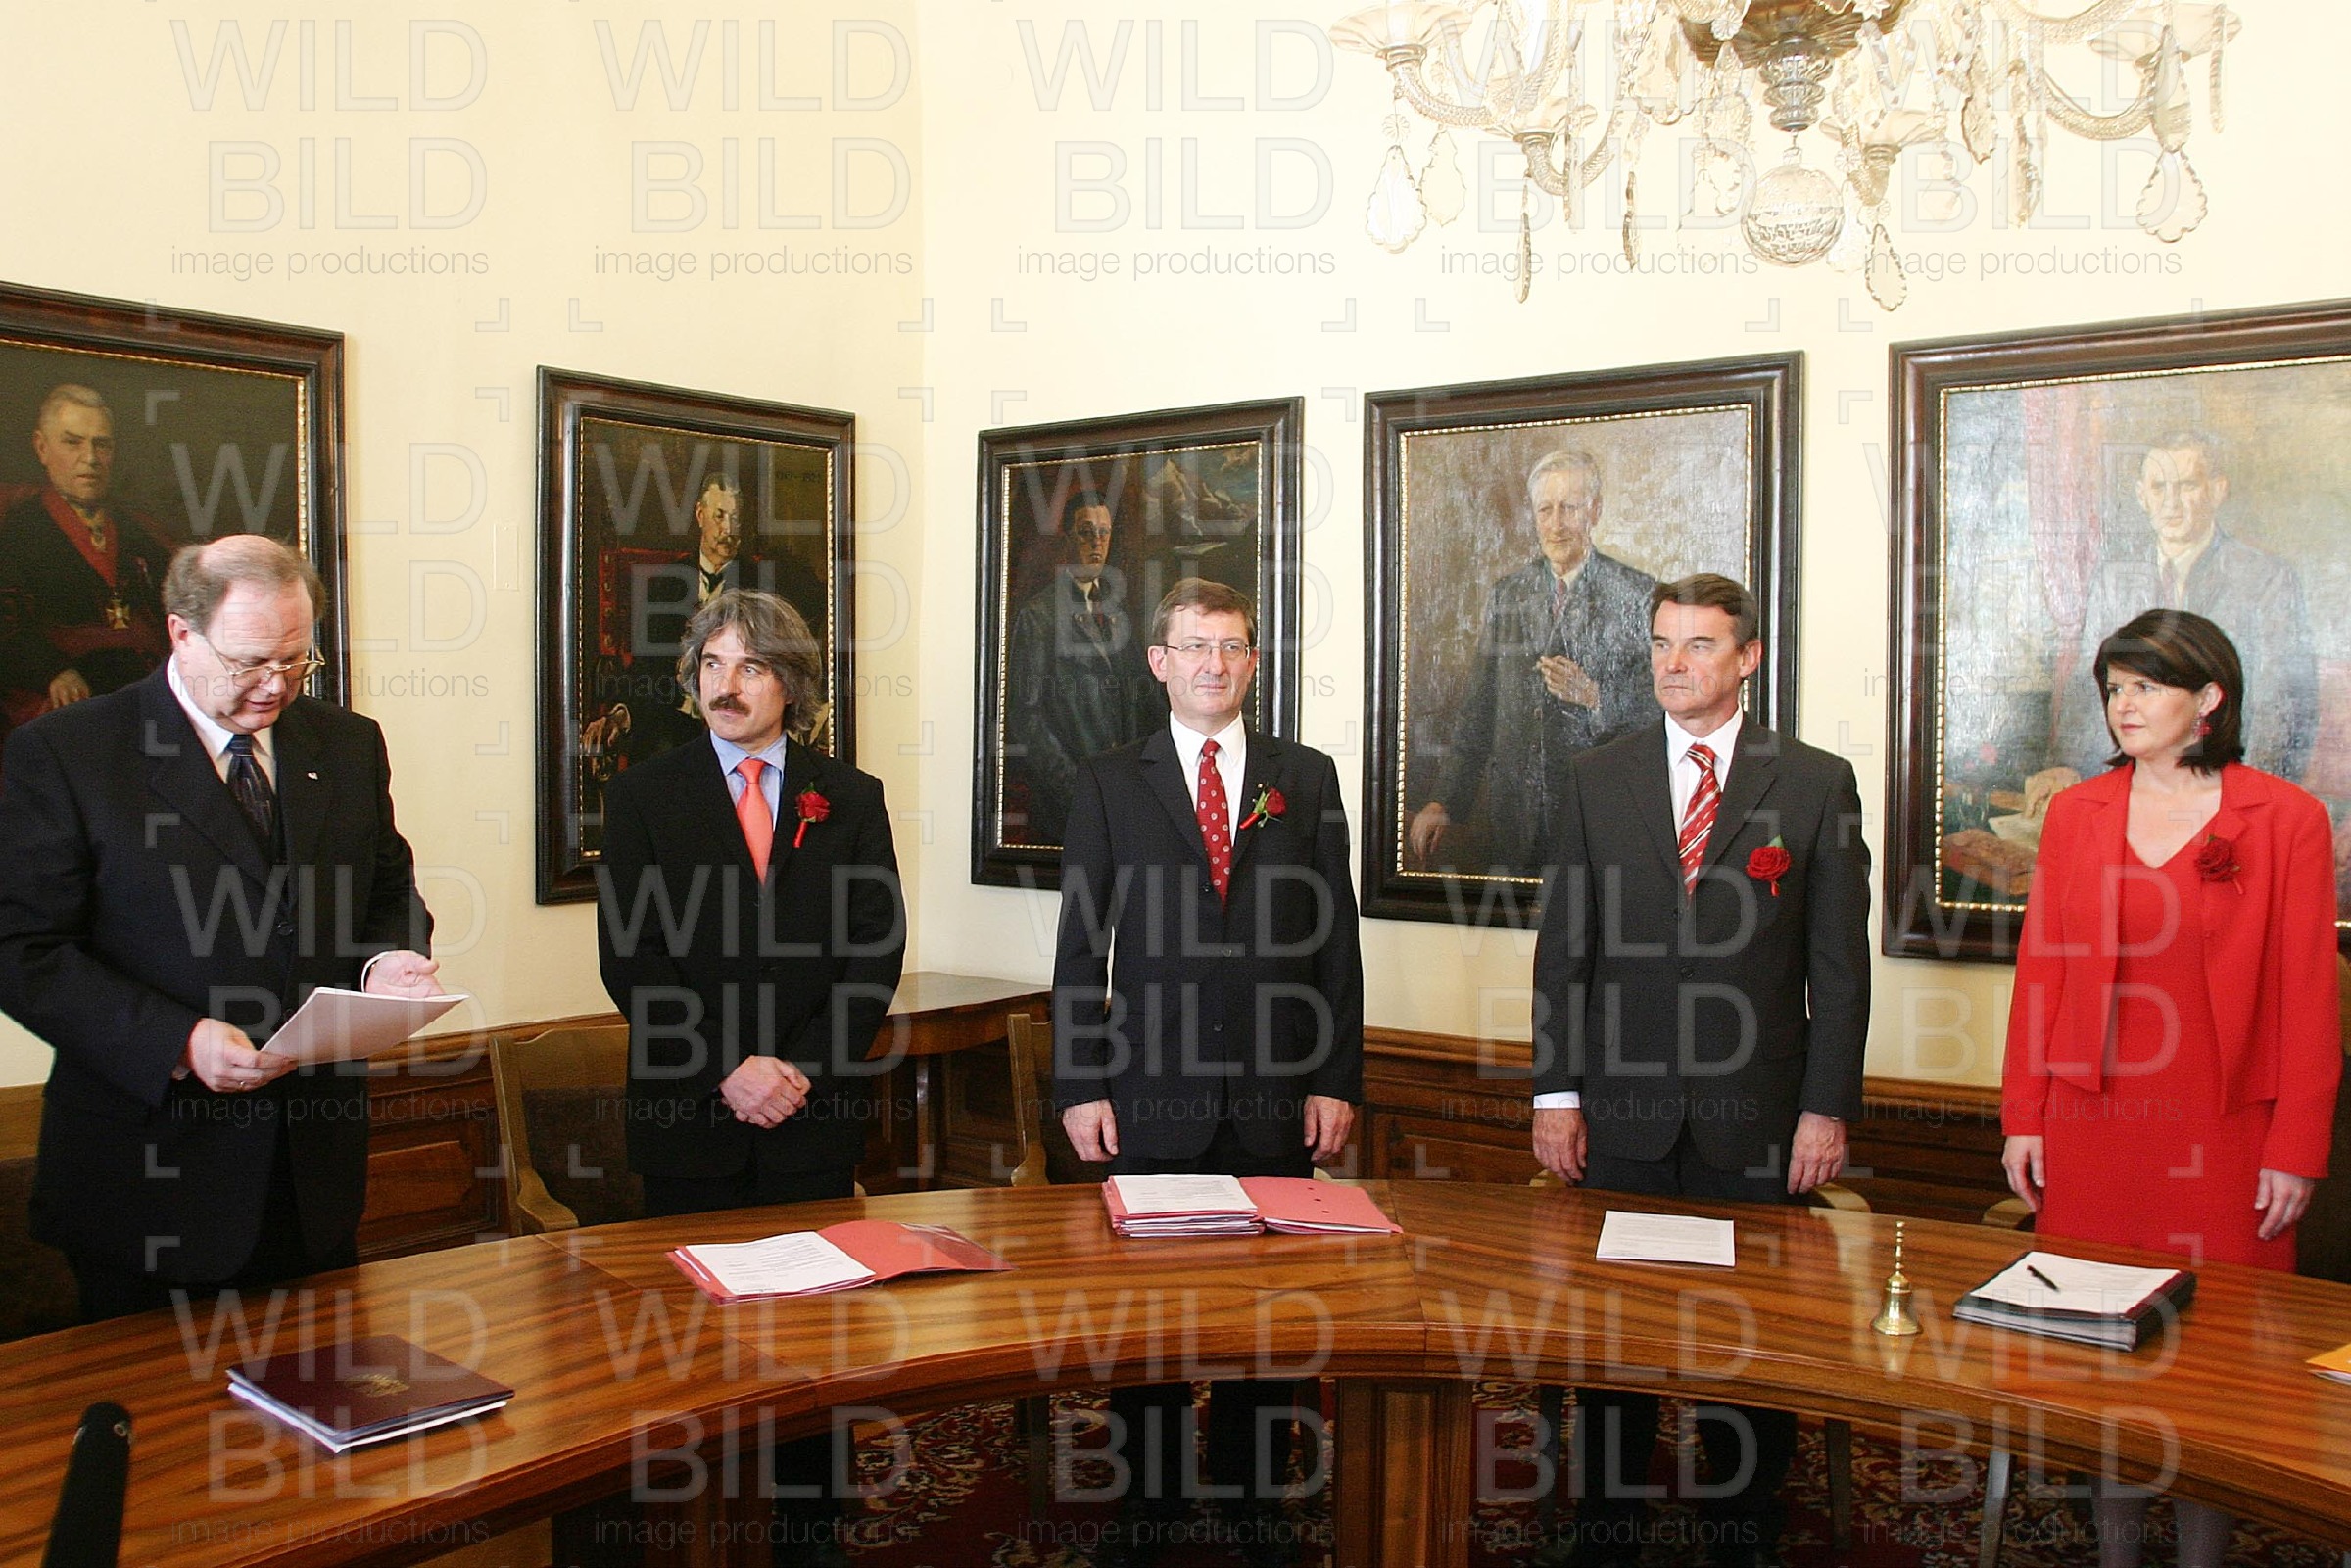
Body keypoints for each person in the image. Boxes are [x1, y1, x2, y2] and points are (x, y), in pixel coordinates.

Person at [0, 534, 439, 1321]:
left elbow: (385, 885)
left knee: (321, 1387)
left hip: (311, 1175)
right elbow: (23, 950)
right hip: (147, 1182)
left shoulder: (345, 743)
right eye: (250, 663)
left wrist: (389, 961)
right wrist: (176, 1040)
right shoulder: (68, 751)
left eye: (296, 661)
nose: (275, 685)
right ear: (181, 632)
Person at [1531, 572, 1870, 1568]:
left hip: (1756, 1113)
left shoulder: (1813, 782)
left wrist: (1825, 1109)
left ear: (1749, 657)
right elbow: (1564, 951)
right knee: (1614, 1335)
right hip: (1621, 1110)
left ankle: (1742, 1523)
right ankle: (1608, 1524)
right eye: (1661, 643)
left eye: (1700, 644)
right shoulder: (1599, 776)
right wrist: (1556, 1091)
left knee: (1749, 1339)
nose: (1673, 664)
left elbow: (1838, 969)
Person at [2003, 608, 2340, 1568]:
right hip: (2093, 1122)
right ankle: (2114, 1553)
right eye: (2115, 688)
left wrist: (2296, 1148)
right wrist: (2025, 1116)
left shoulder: (2288, 818)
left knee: (2216, 1370)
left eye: (2147, 686)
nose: (2124, 705)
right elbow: (2042, 973)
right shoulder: (2078, 812)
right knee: (2101, 1355)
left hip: (2229, 1130)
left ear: (2210, 698)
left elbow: (2310, 998)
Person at [1052, 577, 1364, 1567]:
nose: (1213, 664)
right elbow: (1080, 948)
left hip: (1276, 1093)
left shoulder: (1305, 777)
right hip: (1150, 1091)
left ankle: (1250, 1496)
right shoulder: (1110, 780)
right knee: (1148, 1316)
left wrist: (1335, 1078)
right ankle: (1149, 1503)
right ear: (1160, 662)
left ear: (1254, 661)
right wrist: (1081, 1084)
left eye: (1231, 646)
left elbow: (1337, 945)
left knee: (1264, 1315)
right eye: (1194, 645)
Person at [596, 587, 904, 1565]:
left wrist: (800, 1071)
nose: (726, 686)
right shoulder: (643, 796)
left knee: (814, 1341)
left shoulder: (849, 796)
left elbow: (875, 952)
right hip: (691, 1117)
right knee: (696, 1347)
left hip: (812, 1120)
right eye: (712, 665)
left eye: (752, 666)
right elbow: (630, 960)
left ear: (792, 684)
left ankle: (811, 1531)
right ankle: (698, 1534)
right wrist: (727, 1068)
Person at [1410, 450, 1657, 877]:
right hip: (1513, 821)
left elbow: (1660, 712)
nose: (1556, 524)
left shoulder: (1637, 594)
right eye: (1545, 510)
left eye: (1569, 508)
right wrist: (1444, 800)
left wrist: (1596, 697)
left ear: (1595, 511)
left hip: (1599, 819)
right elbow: (1479, 707)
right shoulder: (1510, 593)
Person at [2052, 433, 2317, 783]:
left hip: (2228, 782)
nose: (2171, 503)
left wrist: (2248, 794)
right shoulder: (2114, 580)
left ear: (2217, 491)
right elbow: (2089, 691)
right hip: (2133, 783)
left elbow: (2282, 706)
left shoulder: (2266, 579)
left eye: (2187, 485)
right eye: (2159, 487)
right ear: (2142, 496)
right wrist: (2071, 770)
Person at [579, 472, 832, 774]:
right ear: (700, 515)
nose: (728, 530)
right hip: (673, 719)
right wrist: (621, 714)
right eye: (720, 516)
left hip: (745, 724)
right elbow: (645, 668)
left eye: (735, 519)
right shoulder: (665, 585)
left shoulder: (764, 586)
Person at [0, 385, 176, 729]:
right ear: (42, 448)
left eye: (101, 444)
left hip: (143, 692)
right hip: (64, 699)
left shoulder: (140, 531)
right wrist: (52, 672)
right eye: (73, 442)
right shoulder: (16, 529)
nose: (91, 458)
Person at [1005, 489, 1161, 844]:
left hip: (1124, 791)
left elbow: (1143, 694)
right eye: (1086, 532)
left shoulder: (1117, 612)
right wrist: (1074, 785)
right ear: (1068, 539)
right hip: (1069, 801)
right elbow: (1026, 717)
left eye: (1104, 532)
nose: (1097, 542)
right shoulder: (1040, 615)